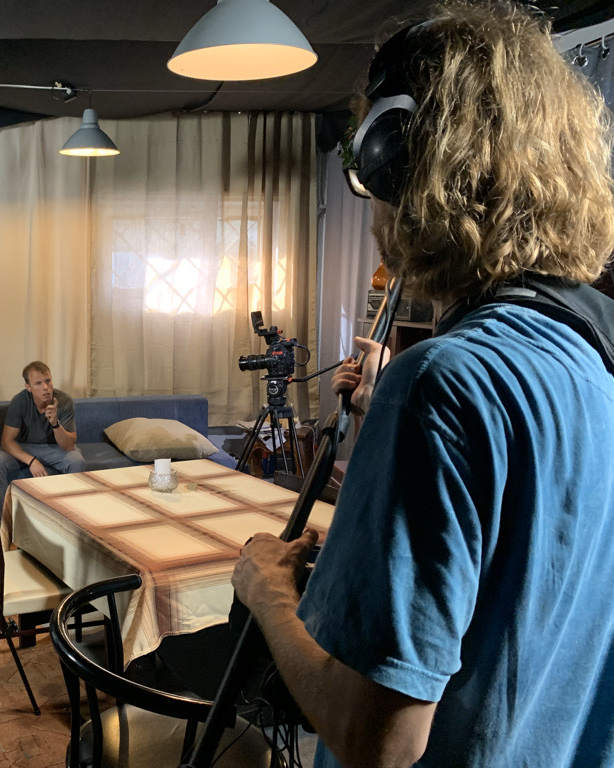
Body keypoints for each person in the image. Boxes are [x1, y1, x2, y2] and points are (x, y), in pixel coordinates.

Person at [233, 4, 614, 768]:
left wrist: (267, 594)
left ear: (395, 160)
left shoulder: (441, 383)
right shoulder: (592, 362)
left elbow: (380, 739)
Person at [0, 361, 85, 509]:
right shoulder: (20, 401)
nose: (45, 387)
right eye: (38, 383)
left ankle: (72, 513)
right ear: (28, 387)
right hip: (25, 448)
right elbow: (6, 442)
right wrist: (32, 461)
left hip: (55, 448)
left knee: (77, 461)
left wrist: (55, 424)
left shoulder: (64, 401)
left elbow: (69, 446)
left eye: (48, 381)